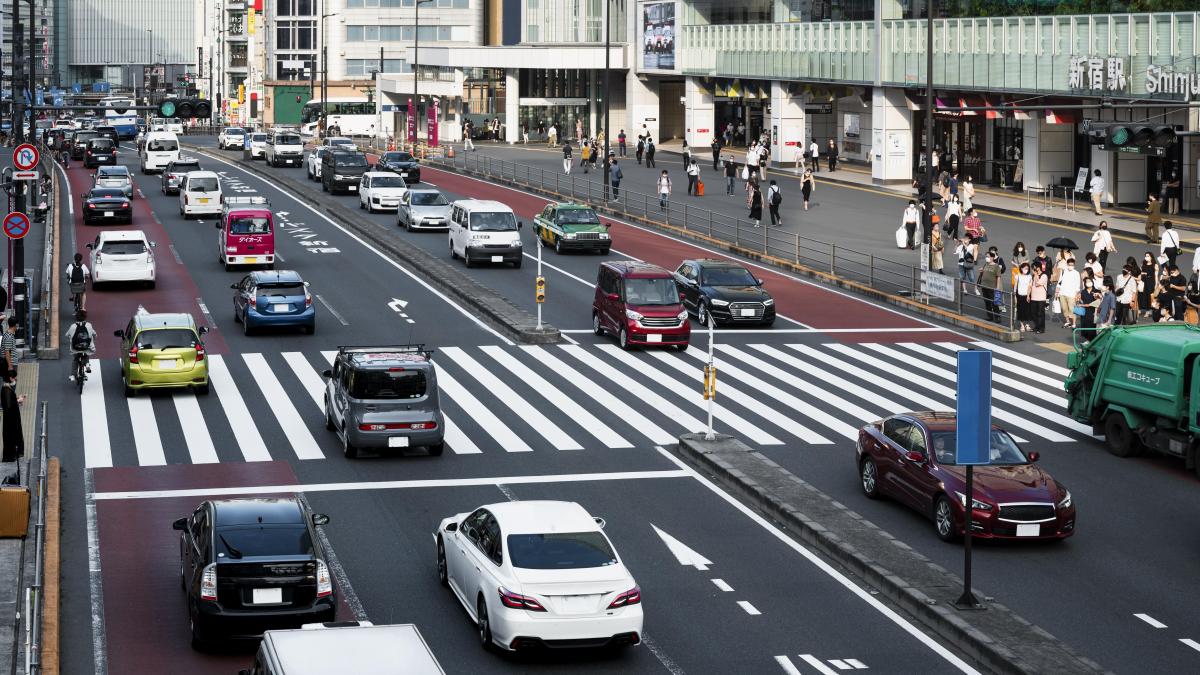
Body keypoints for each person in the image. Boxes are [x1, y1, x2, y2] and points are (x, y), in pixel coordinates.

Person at [65, 309, 96, 382]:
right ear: (85, 317)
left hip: (75, 348)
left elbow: (67, 335)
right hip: (86, 346)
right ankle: (87, 364)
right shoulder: (89, 325)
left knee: (75, 359)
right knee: (87, 352)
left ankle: (73, 375)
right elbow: (94, 334)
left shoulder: (73, 326)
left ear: (76, 317)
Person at [0, 371, 24, 466]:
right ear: (10, 378)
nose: (16, 379)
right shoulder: (7, 390)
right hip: (11, 420)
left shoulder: (5, 388)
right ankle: (11, 456)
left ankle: (12, 454)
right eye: (14, 378)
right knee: (12, 436)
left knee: (10, 437)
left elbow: (8, 403)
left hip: (9, 419)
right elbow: (9, 406)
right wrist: (18, 400)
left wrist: (17, 399)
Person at [977, 250, 1003, 323]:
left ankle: (997, 317)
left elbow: (998, 277)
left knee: (994, 302)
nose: (986, 258)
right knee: (987, 302)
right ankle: (990, 316)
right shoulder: (986, 264)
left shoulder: (996, 266)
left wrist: (997, 287)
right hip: (984, 286)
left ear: (992, 257)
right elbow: (984, 272)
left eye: (988, 256)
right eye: (986, 256)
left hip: (992, 287)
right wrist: (982, 271)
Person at [1057, 258, 1082, 328]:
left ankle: (1073, 323)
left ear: (1074, 265)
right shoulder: (1063, 271)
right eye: (1069, 265)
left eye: (1072, 265)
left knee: (1072, 309)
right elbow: (1059, 282)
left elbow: (1078, 285)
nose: (1071, 266)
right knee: (1064, 309)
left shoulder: (1076, 273)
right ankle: (1067, 322)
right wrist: (1057, 291)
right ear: (1067, 264)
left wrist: (1077, 294)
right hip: (1062, 293)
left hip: (1071, 294)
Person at [1030, 261, 1049, 333]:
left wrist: (1036, 275)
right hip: (1033, 297)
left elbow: (1037, 284)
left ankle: (1041, 328)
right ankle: (1036, 326)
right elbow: (1031, 285)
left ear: (1038, 268)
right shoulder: (1033, 276)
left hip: (1041, 298)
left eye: (1033, 268)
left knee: (1040, 314)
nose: (1032, 270)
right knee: (1034, 313)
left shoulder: (1044, 276)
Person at [1015, 262, 1033, 332]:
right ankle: (1022, 325)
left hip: (1026, 295)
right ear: (1021, 268)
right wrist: (1015, 297)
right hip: (1019, 295)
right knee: (1020, 310)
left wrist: (1028, 295)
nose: (1026, 270)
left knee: (1028, 310)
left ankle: (1027, 324)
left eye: (1027, 269)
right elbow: (1015, 287)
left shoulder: (1029, 276)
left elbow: (1030, 287)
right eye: (1025, 268)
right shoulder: (1017, 276)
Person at [1139, 252, 1158, 318]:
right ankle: (1142, 309)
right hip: (1144, 281)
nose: (1146, 257)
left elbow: (1156, 275)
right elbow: (1140, 272)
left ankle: (1148, 310)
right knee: (1142, 295)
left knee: (1149, 296)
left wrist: (1156, 284)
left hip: (1150, 282)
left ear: (1151, 257)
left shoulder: (1155, 265)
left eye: (1148, 256)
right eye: (1146, 256)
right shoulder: (1143, 264)